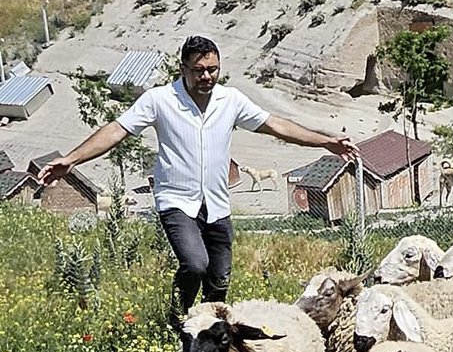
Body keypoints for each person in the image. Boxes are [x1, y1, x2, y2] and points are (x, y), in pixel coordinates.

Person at [38, 35, 359, 314]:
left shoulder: (229, 100)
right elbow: (116, 130)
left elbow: (275, 124)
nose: (207, 76)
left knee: (219, 278)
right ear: (183, 69)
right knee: (195, 264)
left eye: (213, 69)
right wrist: (72, 159)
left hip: (217, 203)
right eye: (199, 70)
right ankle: (179, 318)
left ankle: (208, 330)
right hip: (176, 200)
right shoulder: (160, 100)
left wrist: (325, 141)